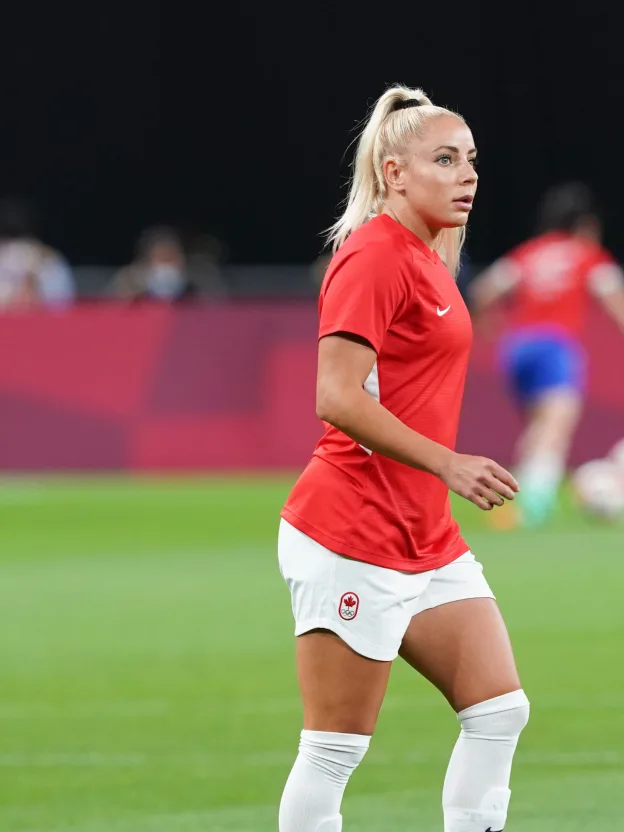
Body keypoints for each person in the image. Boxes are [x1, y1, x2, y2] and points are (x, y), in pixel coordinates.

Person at [277, 85, 529, 832]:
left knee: (499, 711)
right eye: (444, 159)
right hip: (351, 531)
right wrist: (448, 464)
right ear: (394, 172)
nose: (467, 175)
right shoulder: (373, 257)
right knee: (333, 751)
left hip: (423, 534)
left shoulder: (428, 257)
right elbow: (335, 396)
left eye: (471, 160)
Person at [470, 182, 624, 527]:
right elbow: (614, 297)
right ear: (586, 225)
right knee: (555, 427)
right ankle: (533, 508)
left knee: (539, 428)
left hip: (516, 349)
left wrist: (487, 327)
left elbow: (483, 289)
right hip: (555, 348)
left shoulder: (529, 253)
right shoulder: (586, 254)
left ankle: (518, 499)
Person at [110, 225, 197, 302]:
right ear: (148, 259)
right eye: (162, 258)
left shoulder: (193, 289)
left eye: (170, 258)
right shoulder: (130, 281)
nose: (166, 266)